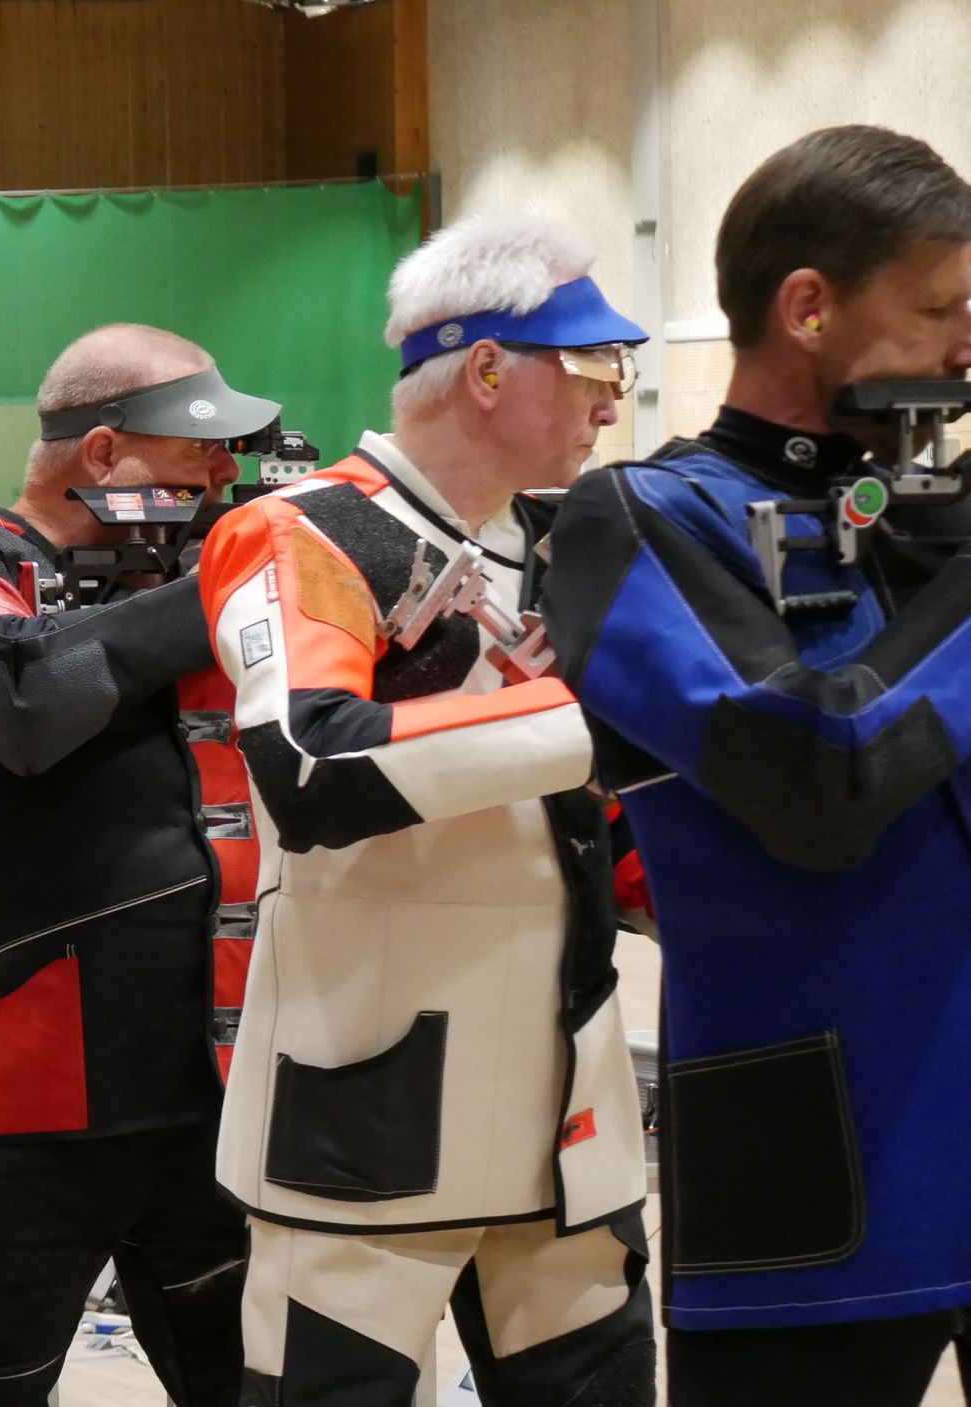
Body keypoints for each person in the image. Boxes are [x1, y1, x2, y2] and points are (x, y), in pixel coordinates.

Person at [543, 126, 971, 1406]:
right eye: (939, 309)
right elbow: (816, 780)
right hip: (823, 1167)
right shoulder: (636, 519)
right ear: (807, 308)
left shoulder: (938, 531)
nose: (966, 344)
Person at [198, 216, 655, 1405]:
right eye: (594, 364)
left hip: (571, 1112)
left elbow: (592, 813)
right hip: (370, 1104)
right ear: (487, 369)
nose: (612, 399)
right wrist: (588, 717)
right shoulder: (302, 530)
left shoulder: (566, 542)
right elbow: (309, 762)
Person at [0, 325, 263, 1407]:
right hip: (34, 1079)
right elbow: (26, 700)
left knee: (255, 1383)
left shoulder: (184, 575)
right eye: (199, 454)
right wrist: (232, 578)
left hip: (221, 1074)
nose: (222, 479)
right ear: (101, 453)